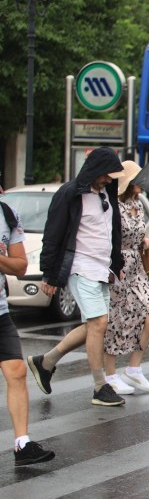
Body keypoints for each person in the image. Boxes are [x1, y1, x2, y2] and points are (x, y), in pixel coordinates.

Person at [28, 147, 128, 407]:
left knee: (95, 326)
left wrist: (116, 263)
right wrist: (49, 275)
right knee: (99, 322)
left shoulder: (107, 194)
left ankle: (46, 361)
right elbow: (53, 235)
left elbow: (112, 232)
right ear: (95, 169)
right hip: (79, 266)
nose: (109, 179)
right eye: (106, 174)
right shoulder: (70, 194)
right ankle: (99, 386)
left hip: (101, 268)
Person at [0, 197, 54, 465]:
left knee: (17, 371)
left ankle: (23, 444)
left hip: (0, 312)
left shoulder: (7, 213)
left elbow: (20, 266)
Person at [102, 161, 149, 395]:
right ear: (128, 181)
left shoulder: (137, 204)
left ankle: (134, 369)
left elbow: (138, 237)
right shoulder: (113, 205)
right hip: (117, 266)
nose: (142, 183)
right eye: (138, 179)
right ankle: (110, 375)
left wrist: (146, 242)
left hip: (136, 265)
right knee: (115, 322)